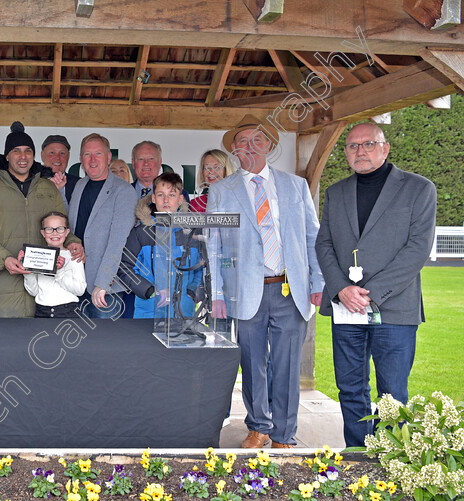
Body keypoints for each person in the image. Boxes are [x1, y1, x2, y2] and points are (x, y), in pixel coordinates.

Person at [315, 122, 436, 448]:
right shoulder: (336, 192)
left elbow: (417, 249)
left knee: (392, 391)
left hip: (394, 309)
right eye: (353, 146)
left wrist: (371, 294)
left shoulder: (418, 189)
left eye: (368, 144)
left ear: (384, 148)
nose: (360, 151)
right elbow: (323, 244)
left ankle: (389, 459)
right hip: (346, 308)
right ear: (346, 154)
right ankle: (357, 454)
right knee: (350, 387)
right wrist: (342, 288)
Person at [207, 114, 323, 449]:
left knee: (286, 365)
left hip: (290, 289)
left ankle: (285, 433)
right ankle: (259, 426)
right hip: (245, 291)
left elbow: (312, 236)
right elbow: (214, 242)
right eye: (242, 141)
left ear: (269, 146)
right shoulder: (221, 190)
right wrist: (217, 292)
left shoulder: (295, 186)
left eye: (258, 140)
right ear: (234, 150)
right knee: (252, 362)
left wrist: (317, 281)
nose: (250, 146)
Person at [0, 122, 84, 318]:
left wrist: (73, 242)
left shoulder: (47, 188)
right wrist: (4, 259)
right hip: (0, 292)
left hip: (42, 297)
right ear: (7, 156)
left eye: (28, 151)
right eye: (16, 151)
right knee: (0, 346)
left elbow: (61, 227)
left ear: (34, 155)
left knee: (42, 347)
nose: (23, 157)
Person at [68, 133, 138, 318]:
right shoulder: (80, 185)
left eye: (98, 154)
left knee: (104, 344)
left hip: (105, 289)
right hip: (77, 283)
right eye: (87, 154)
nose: (92, 160)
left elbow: (118, 242)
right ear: (81, 159)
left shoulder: (124, 191)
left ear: (108, 158)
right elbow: (73, 227)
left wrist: (103, 282)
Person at [118, 172, 203, 319]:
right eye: (160, 195)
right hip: (148, 312)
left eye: (171, 195)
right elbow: (125, 268)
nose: (166, 200)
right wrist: (150, 291)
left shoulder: (193, 232)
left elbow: (202, 268)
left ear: (180, 199)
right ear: (153, 198)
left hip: (184, 312)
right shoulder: (141, 233)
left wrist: (192, 292)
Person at [21, 211, 87, 318]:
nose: (55, 233)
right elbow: (34, 291)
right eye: (49, 229)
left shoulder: (74, 257)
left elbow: (80, 290)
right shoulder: (38, 256)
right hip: (42, 310)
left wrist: (59, 272)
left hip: (67, 311)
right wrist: (26, 270)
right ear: (43, 233)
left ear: (67, 232)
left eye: (60, 229)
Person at [42, 135, 80, 205]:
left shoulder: (79, 185)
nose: (57, 157)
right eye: (52, 153)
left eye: (62, 153)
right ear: (42, 155)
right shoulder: (31, 183)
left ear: (68, 156)